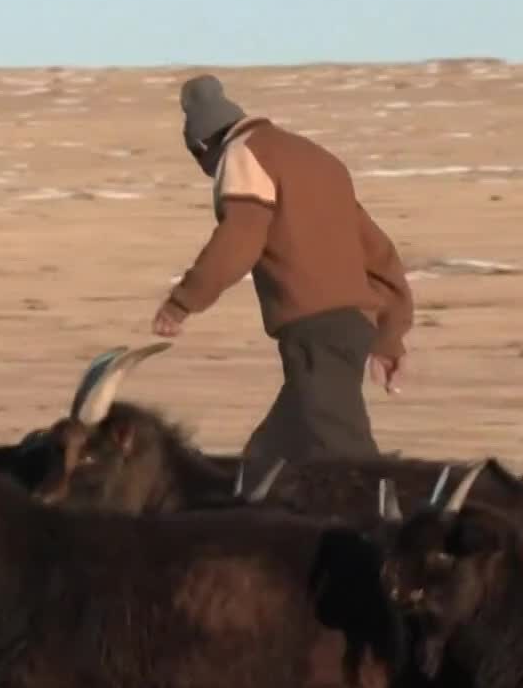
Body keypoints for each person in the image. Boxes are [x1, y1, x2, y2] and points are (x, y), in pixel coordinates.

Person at [150, 74, 415, 474]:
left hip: (316, 330)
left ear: (203, 145)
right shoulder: (317, 159)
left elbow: (239, 239)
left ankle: (391, 528)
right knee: (267, 457)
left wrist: (181, 302)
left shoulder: (243, 154)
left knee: (348, 454)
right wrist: (389, 335)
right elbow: (378, 254)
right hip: (349, 327)